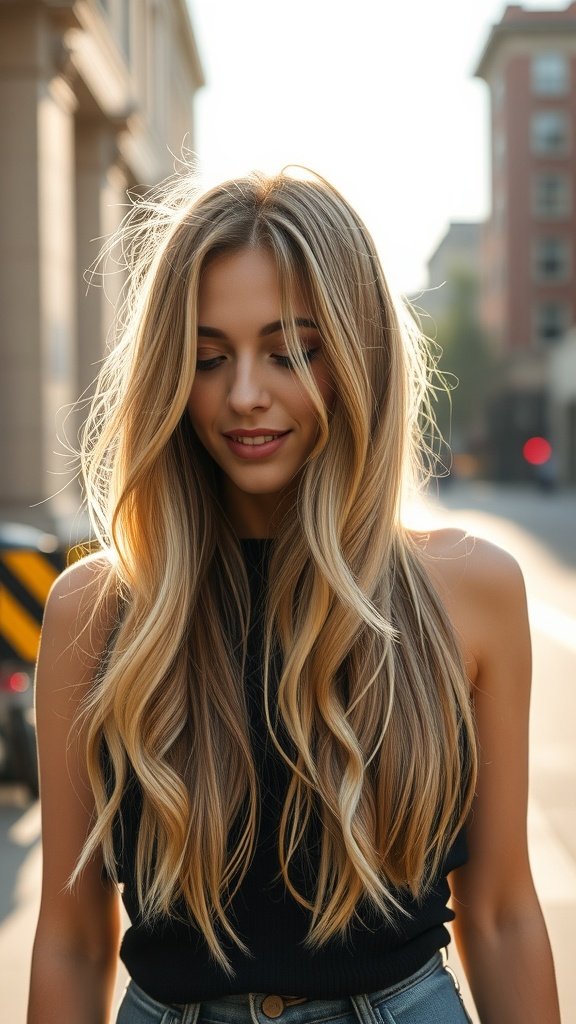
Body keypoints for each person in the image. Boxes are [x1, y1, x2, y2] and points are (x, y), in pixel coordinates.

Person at [28, 168, 560, 1024]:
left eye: (291, 351)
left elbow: (498, 914)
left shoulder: (471, 589)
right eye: (208, 358)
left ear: (357, 353)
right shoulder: (94, 610)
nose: (245, 393)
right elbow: (71, 937)